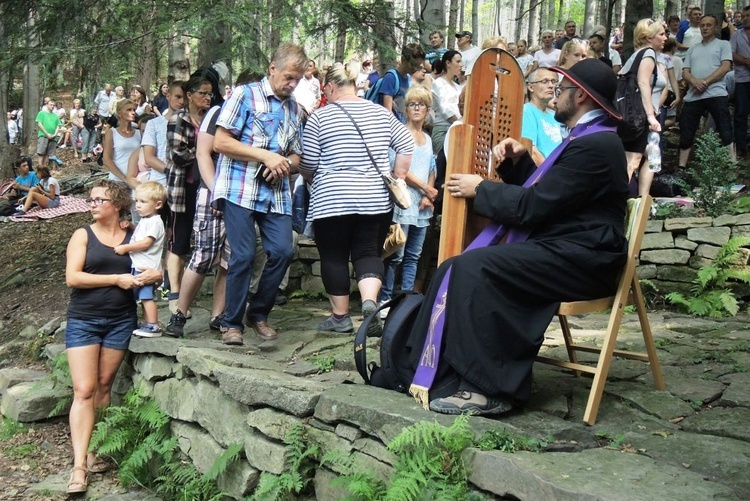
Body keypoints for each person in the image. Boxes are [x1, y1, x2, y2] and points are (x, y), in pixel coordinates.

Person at [408, 58, 628, 416]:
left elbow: (535, 207)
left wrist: (480, 189)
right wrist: (518, 164)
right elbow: (556, 198)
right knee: (460, 265)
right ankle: (440, 372)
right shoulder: (589, 140)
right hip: (570, 248)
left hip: (585, 257)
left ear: (583, 97)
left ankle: (488, 388)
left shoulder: (596, 145)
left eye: (563, 90)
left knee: (476, 268)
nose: (556, 97)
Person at [299, 62, 414, 333]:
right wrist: (398, 176)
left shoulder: (320, 117)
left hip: (332, 200)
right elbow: (406, 142)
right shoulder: (380, 113)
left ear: (329, 86)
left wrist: (311, 177)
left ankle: (340, 317)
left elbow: (309, 162)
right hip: (374, 198)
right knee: (368, 252)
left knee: (334, 255)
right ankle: (370, 305)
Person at [63, 180, 162, 494]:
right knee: (84, 389)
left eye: (98, 200)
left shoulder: (136, 235)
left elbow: (155, 265)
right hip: (84, 320)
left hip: (121, 320)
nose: (92, 205)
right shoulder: (83, 235)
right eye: (90, 200)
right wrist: (116, 279)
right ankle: (79, 466)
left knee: (104, 386)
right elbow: (72, 277)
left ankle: (96, 450)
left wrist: (155, 275)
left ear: (117, 204)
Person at [212, 43, 307, 343]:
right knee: (241, 255)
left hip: (276, 193)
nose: (292, 84)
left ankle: (258, 313)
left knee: (283, 251)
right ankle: (232, 324)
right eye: (289, 77)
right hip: (239, 188)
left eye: (298, 79)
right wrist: (264, 156)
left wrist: (285, 164)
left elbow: (297, 156)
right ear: (273, 68)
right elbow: (221, 142)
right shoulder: (244, 95)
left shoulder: (294, 107)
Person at [379, 86, 436, 309]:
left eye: (421, 104)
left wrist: (428, 195)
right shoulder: (400, 134)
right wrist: (425, 189)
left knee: (414, 255)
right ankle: (385, 298)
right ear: (405, 108)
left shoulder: (428, 138)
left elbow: (431, 167)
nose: (416, 108)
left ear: (428, 109)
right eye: (412, 104)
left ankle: (406, 299)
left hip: (422, 206)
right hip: (403, 202)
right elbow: (398, 169)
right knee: (396, 253)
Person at [164, 75, 214, 322]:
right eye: (203, 93)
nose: (207, 98)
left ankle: (187, 293)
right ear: (191, 95)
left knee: (201, 242)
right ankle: (174, 294)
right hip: (182, 189)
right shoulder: (178, 119)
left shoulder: (210, 120)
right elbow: (177, 154)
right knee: (179, 242)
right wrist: (205, 153)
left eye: (210, 94)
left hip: (204, 189)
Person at [618, 18, 667, 196]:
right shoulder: (648, 54)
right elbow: (643, 83)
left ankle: (643, 199)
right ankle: (617, 202)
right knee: (633, 160)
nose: (665, 38)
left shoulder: (637, 56)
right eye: (661, 34)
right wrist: (650, 116)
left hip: (641, 115)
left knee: (652, 156)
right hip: (641, 117)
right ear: (648, 38)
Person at [679, 15, 734, 169]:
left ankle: (731, 165)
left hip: (716, 93)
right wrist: (695, 82)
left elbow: (725, 67)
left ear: (715, 28)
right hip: (694, 95)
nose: (705, 28)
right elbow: (685, 72)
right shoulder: (693, 49)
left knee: (725, 129)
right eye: (702, 25)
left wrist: (706, 81)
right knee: (686, 131)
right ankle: (682, 167)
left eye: (709, 25)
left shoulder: (723, 45)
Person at [114, 181, 166, 337]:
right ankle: (147, 322)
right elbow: (141, 233)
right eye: (137, 201)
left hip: (146, 267)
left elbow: (146, 242)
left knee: (146, 296)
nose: (138, 205)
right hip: (140, 264)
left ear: (157, 204)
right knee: (142, 297)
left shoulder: (156, 221)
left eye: (143, 202)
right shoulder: (146, 220)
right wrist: (130, 226)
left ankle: (153, 325)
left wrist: (125, 248)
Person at [374, 43, 426, 123]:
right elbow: (388, 111)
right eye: (413, 64)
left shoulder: (408, 79)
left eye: (418, 65)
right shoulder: (391, 78)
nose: (415, 68)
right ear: (404, 60)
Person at [522, 68, 563, 163]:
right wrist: (550, 175)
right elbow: (531, 150)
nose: (551, 86)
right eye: (544, 81)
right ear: (531, 87)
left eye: (553, 81)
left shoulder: (554, 115)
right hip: (545, 172)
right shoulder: (527, 111)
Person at [430, 50, 462, 155]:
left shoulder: (458, 87)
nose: (461, 65)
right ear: (448, 63)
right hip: (443, 130)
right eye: (458, 61)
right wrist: (461, 124)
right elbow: (445, 110)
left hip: (457, 129)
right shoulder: (439, 83)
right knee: (445, 165)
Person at [102, 99, 141, 185]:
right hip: (117, 180)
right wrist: (125, 179)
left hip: (136, 180)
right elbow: (106, 160)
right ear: (119, 113)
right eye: (129, 110)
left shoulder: (139, 133)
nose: (133, 112)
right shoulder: (112, 132)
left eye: (134, 110)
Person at [732, 6, 750, 158]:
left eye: (748, 15)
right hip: (742, 79)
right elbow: (731, 54)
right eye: (744, 16)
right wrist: (745, 60)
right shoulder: (737, 35)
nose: (745, 18)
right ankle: (741, 147)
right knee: (740, 113)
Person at [35, 99, 62, 169]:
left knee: (49, 154)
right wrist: (47, 134)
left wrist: (55, 134)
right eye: (51, 105)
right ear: (47, 105)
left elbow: (58, 126)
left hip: (53, 137)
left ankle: (45, 169)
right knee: (41, 153)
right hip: (43, 136)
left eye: (53, 105)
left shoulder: (55, 116)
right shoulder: (41, 113)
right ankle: (40, 169)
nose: (52, 106)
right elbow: (39, 123)